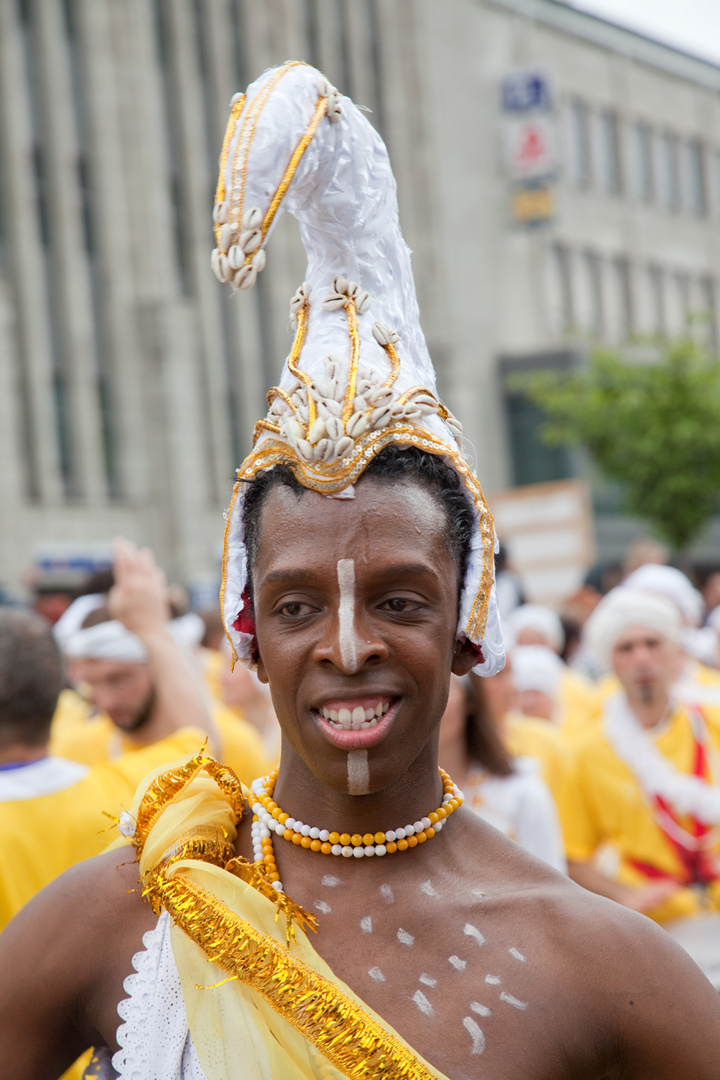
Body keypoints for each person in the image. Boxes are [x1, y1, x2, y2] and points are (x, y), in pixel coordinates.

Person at [1, 62, 718, 1080]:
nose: (347, 646)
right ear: (248, 629)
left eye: (398, 600)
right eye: (299, 604)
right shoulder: (137, 910)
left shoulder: (591, 961)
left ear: (469, 617)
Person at [559, 586, 720, 980]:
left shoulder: (712, 720)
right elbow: (573, 858)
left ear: (674, 652)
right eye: (626, 648)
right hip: (657, 936)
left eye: (652, 643)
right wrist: (623, 896)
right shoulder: (585, 752)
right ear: (609, 661)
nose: (642, 658)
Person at [51, 540, 268, 787]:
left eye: (119, 679)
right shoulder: (73, 751)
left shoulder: (234, 745)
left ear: (160, 664)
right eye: (92, 683)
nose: (106, 700)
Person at [439, 674, 566, 870]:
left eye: (440, 688)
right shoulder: (388, 797)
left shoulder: (523, 793)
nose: (427, 707)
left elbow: (553, 893)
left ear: (471, 699)